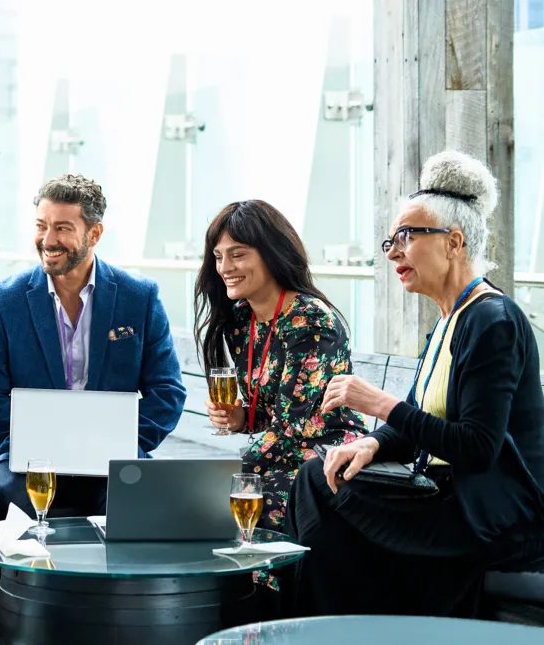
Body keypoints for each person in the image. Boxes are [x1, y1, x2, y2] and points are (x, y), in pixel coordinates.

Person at [287, 151, 544, 617]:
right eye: (390, 240)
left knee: (318, 487)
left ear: (453, 242)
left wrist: (380, 405)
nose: (393, 252)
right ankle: (346, 622)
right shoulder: (451, 319)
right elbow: (417, 422)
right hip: (447, 496)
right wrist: (370, 444)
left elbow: (478, 447)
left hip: (490, 515)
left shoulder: (492, 321)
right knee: (323, 474)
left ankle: (338, 625)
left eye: (406, 236)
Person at [0, 173, 186, 517]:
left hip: (112, 457)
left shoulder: (139, 297)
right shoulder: (3, 301)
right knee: (18, 506)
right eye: (42, 225)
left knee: (133, 504)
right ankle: (27, 573)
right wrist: (35, 447)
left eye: (63, 228)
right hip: (25, 457)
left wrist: (124, 445)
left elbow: (167, 391)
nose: (48, 239)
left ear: (94, 233)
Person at [194, 200, 368, 536]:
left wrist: (216, 475)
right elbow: (273, 413)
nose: (225, 267)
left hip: (328, 459)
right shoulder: (242, 322)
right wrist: (243, 418)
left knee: (225, 506)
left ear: (271, 253)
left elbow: (294, 427)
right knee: (214, 504)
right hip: (281, 459)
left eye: (238, 254)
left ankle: (264, 589)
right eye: (218, 256)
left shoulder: (310, 320)